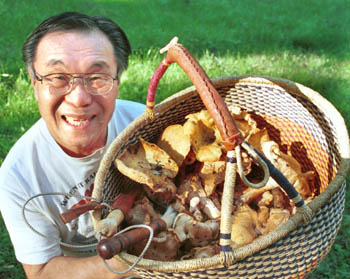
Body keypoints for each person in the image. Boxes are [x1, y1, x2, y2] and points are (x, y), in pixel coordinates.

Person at [0, 11, 146, 279]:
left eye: (97, 77)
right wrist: (141, 264)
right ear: (34, 84)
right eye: (57, 77)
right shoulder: (19, 176)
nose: (79, 98)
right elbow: (42, 271)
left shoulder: (145, 127)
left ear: (117, 83)